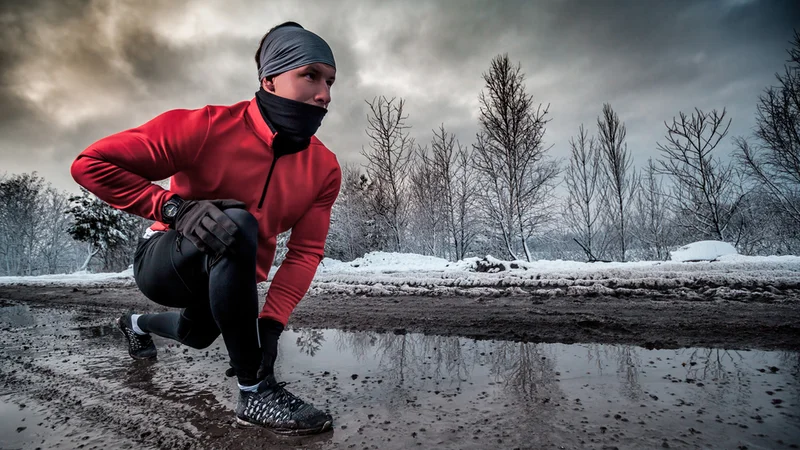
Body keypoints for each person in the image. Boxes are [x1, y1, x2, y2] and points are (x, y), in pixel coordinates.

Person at [70, 21, 341, 436]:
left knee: (194, 335)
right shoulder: (207, 127)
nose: (324, 94)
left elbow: (304, 253)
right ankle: (254, 392)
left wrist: (270, 325)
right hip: (166, 258)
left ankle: (137, 324)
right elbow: (89, 164)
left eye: (330, 81)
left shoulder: (324, 169)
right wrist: (174, 208)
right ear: (269, 78)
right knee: (235, 220)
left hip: (230, 275)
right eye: (309, 75)